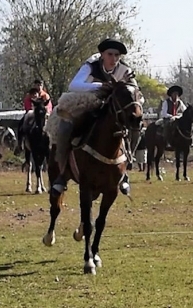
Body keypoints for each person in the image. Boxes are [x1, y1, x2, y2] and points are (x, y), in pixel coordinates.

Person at [51, 38, 140, 197]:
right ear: (102, 54)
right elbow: (74, 85)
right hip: (89, 100)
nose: (113, 59)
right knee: (66, 125)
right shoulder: (91, 65)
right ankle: (63, 173)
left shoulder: (125, 70)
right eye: (110, 54)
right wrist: (99, 86)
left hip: (113, 107)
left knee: (135, 126)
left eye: (117, 55)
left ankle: (126, 168)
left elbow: (137, 93)